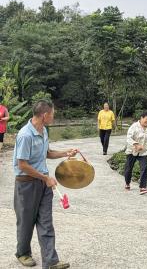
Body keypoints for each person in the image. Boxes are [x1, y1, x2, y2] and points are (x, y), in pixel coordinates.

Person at [13, 100, 79, 269]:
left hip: (44, 183)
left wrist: (66, 153)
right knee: (26, 221)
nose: (53, 117)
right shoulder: (25, 135)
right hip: (26, 184)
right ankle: (23, 253)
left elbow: (47, 153)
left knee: (46, 222)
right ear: (45, 115)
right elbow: (22, 165)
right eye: (52, 114)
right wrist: (45, 178)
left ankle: (50, 261)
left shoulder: (43, 131)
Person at [124, 111, 147, 194]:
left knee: (144, 168)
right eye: (146, 119)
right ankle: (127, 183)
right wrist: (136, 144)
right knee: (129, 168)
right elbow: (128, 138)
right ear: (141, 118)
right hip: (132, 150)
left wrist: (144, 147)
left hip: (143, 152)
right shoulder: (134, 127)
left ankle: (143, 187)